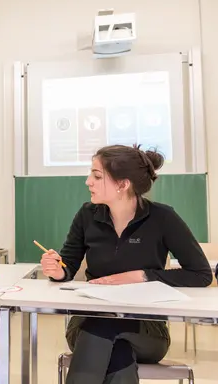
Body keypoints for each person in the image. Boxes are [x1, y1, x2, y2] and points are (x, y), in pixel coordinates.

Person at [41, 144, 212, 384]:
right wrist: (57, 271)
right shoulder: (87, 215)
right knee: (115, 345)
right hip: (88, 322)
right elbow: (67, 265)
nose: (88, 181)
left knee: (107, 330)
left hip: (148, 330)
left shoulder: (163, 218)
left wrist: (142, 276)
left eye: (97, 176)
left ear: (123, 184)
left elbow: (201, 274)